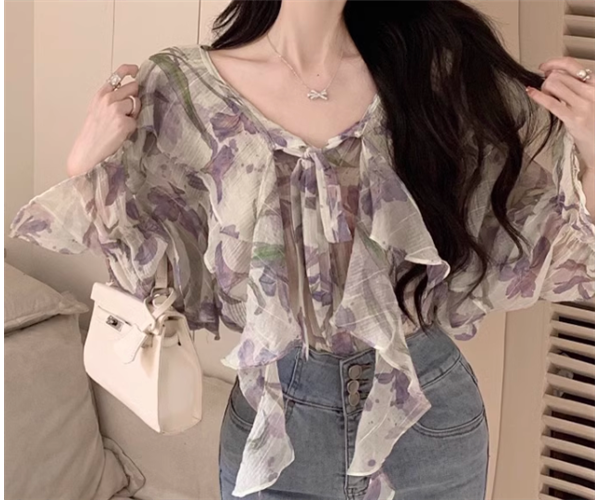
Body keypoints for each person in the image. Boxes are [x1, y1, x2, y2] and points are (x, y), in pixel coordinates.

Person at [11, 1, 595, 499]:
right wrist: (85, 167)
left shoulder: (432, 68)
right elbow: (148, 272)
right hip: (277, 427)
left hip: (428, 417)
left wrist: (592, 145)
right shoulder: (183, 89)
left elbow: (541, 233)